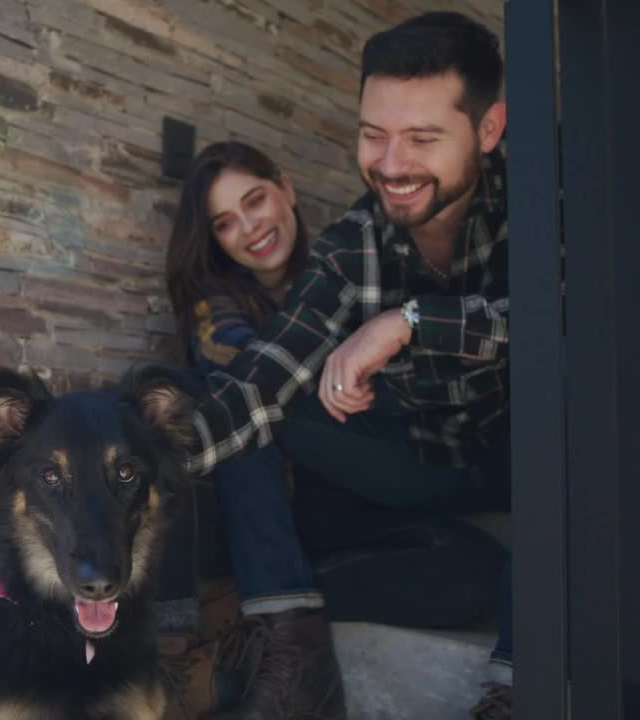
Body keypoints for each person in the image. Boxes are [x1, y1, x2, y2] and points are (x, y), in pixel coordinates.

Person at [179, 12, 516, 720]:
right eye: (372, 135)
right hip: (409, 465)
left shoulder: (543, 203)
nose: (390, 165)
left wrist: (409, 324)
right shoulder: (348, 247)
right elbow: (264, 376)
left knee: (568, 407)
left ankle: (517, 684)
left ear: (487, 131)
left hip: (528, 451)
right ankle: (283, 632)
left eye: (422, 138)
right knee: (238, 387)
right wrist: (141, 459)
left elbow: (574, 316)